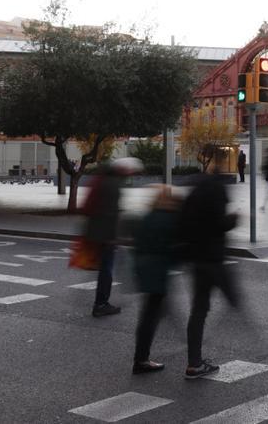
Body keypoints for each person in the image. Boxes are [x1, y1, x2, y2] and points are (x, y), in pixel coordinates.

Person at [181, 152, 241, 379]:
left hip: (196, 259)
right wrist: (233, 219)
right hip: (213, 258)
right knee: (231, 299)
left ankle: (194, 362)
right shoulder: (216, 191)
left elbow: (184, 223)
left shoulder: (194, 192)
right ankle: (257, 339)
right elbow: (219, 224)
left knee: (198, 310)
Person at [131, 184, 182, 375]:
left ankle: (142, 357)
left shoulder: (148, 216)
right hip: (157, 272)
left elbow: (138, 243)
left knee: (151, 312)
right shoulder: (166, 219)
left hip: (145, 270)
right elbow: (172, 248)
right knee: (151, 314)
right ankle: (141, 360)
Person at [85, 157, 143, 317]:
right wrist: (116, 237)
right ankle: (101, 304)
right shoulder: (113, 184)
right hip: (105, 235)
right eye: (131, 171)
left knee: (105, 268)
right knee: (106, 269)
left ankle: (101, 301)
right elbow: (111, 213)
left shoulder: (106, 179)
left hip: (98, 232)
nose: (132, 174)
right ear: (124, 170)